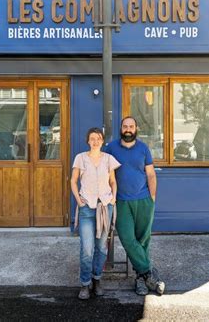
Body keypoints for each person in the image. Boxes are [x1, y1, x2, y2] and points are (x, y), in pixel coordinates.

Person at [104, 116, 166, 296]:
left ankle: (140, 279)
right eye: (125, 126)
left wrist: (152, 198)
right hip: (121, 201)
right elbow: (105, 174)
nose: (128, 129)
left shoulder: (143, 148)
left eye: (131, 126)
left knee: (143, 239)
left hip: (144, 199)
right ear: (121, 128)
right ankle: (150, 273)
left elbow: (151, 175)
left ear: (136, 128)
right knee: (127, 238)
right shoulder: (111, 148)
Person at [71, 127, 121, 300]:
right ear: (88, 141)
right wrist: (78, 200)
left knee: (101, 247)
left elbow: (113, 181)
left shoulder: (108, 159)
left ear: (102, 141)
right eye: (92, 138)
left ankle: (97, 279)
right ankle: (85, 284)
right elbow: (73, 181)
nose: (95, 141)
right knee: (87, 248)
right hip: (87, 208)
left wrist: (113, 199)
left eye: (98, 138)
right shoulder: (81, 158)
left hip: (105, 207)